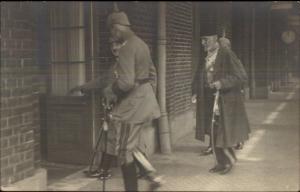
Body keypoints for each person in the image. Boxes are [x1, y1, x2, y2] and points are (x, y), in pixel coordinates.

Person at [103, 10, 164, 191]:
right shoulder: (142, 44)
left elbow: (126, 83)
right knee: (131, 147)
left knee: (123, 151)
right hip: (144, 102)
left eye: (112, 31)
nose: (112, 36)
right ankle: (152, 177)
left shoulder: (127, 48)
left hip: (132, 107)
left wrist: (110, 90)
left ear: (117, 29)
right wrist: (147, 94)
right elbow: (152, 74)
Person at [191, 24, 250, 175]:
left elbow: (241, 76)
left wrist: (222, 83)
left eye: (205, 40)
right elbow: (200, 75)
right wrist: (195, 91)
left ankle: (229, 161)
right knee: (214, 131)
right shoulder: (206, 55)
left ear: (214, 38)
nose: (202, 43)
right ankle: (220, 162)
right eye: (201, 40)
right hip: (210, 100)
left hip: (225, 100)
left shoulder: (226, 53)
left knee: (223, 132)